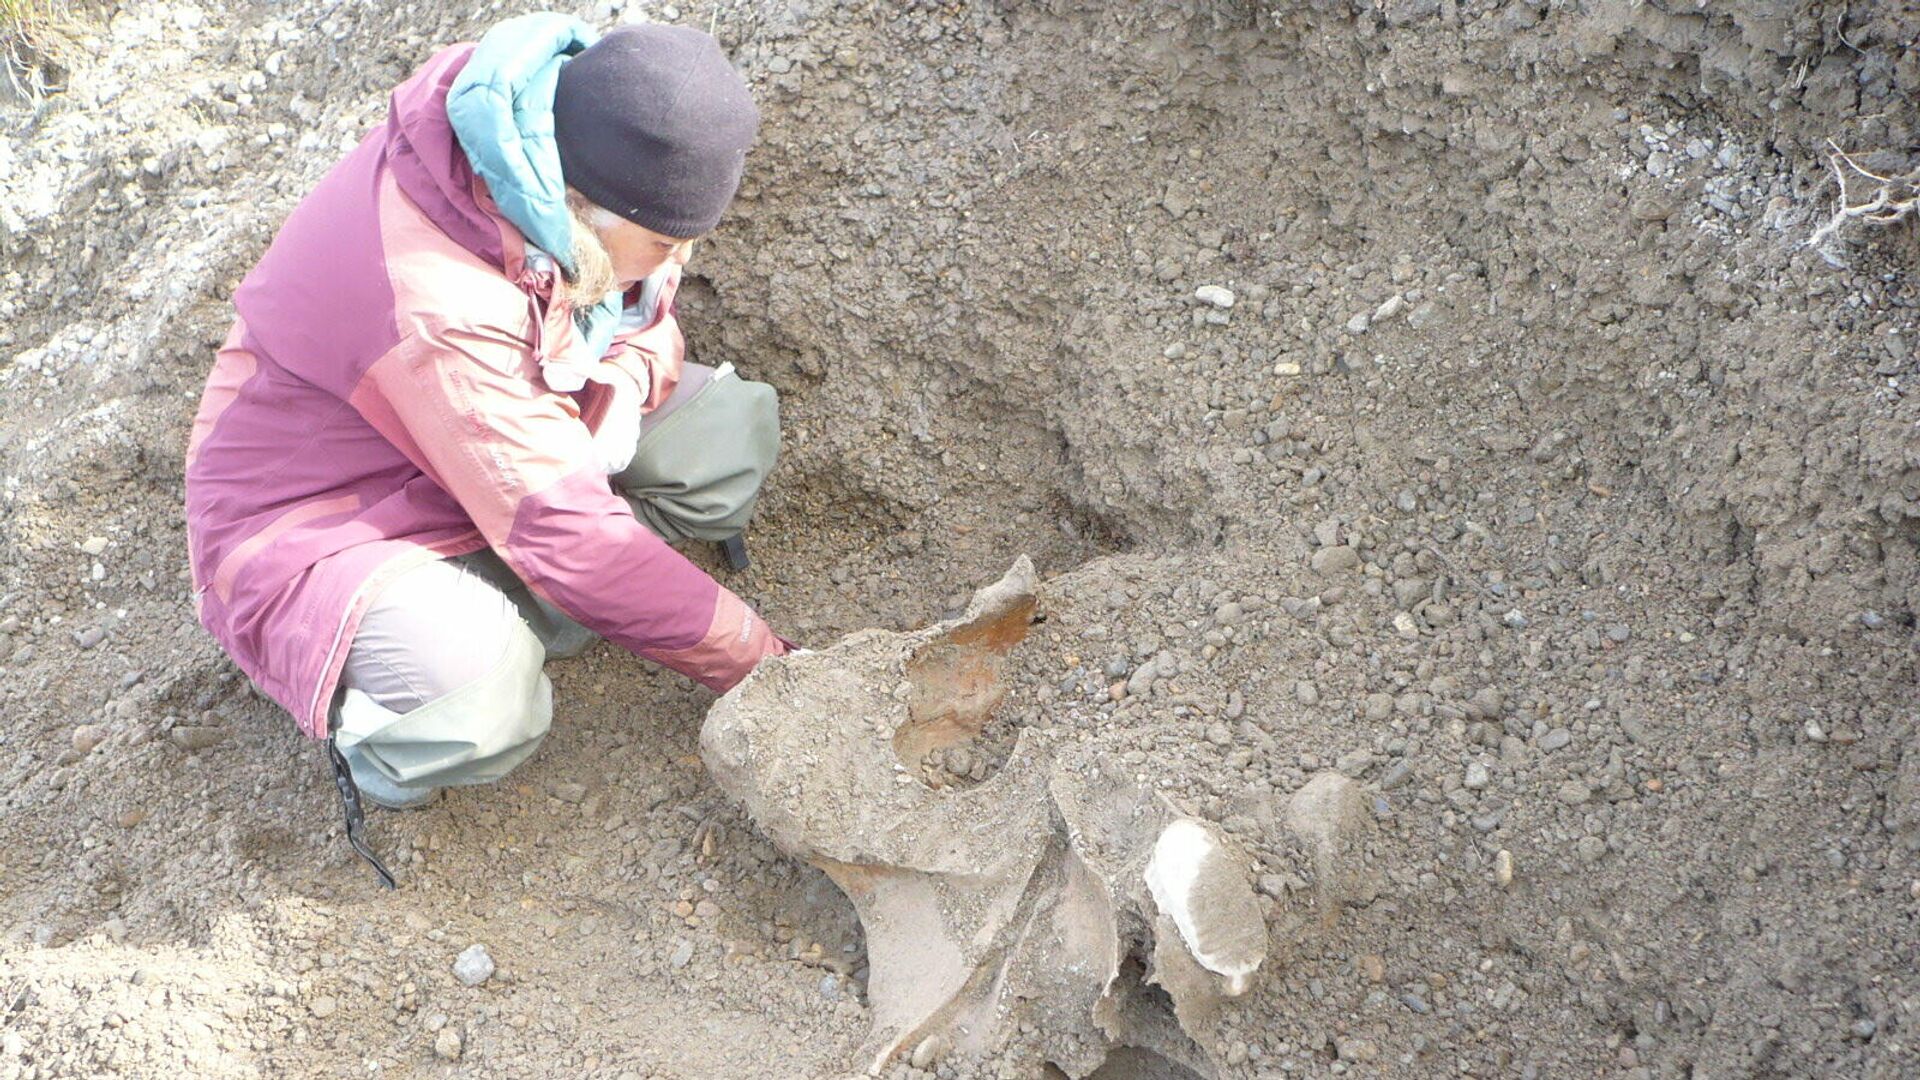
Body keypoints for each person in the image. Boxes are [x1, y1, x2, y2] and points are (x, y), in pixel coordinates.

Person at [183, 13, 791, 881]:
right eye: (662, 242)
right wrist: (766, 665)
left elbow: (647, 317)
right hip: (319, 523)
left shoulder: (566, 157)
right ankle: (385, 736)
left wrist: (617, 387)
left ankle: (532, 604)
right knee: (481, 695)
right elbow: (570, 533)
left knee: (721, 433)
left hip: (476, 444)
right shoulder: (437, 295)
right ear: (585, 213)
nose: (675, 259)